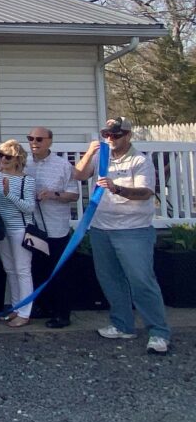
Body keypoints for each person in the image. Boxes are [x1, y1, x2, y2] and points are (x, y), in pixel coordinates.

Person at [74, 117, 170, 354]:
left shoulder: (140, 160)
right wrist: (89, 152)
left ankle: (158, 332)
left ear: (127, 135)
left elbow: (145, 192)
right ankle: (122, 324)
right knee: (110, 279)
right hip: (101, 227)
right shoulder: (101, 157)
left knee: (141, 281)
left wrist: (117, 188)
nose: (110, 139)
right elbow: (79, 176)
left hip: (133, 230)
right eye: (107, 134)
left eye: (116, 135)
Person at [25, 127, 79, 329]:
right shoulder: (25, 163)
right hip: (32, 226)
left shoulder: (63, 165)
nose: (34, 142)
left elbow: (74, 195)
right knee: (37, 269)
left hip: (56, 227)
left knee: (58, 272)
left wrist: (53, 195)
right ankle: (42, 307)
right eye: (30, 138)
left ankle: (62, 313)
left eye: (39, 139)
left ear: (49, 141)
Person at [0, 139, 36, 328]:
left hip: (20, 229)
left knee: (23, 270)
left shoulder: (27, 180)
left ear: (17, 158)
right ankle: (16, 307)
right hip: (2, 229)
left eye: (7, 156)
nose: (3, 159)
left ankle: (25, 312)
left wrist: (10, 194)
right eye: (0, 155)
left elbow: (29, 208)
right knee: (9, 269)